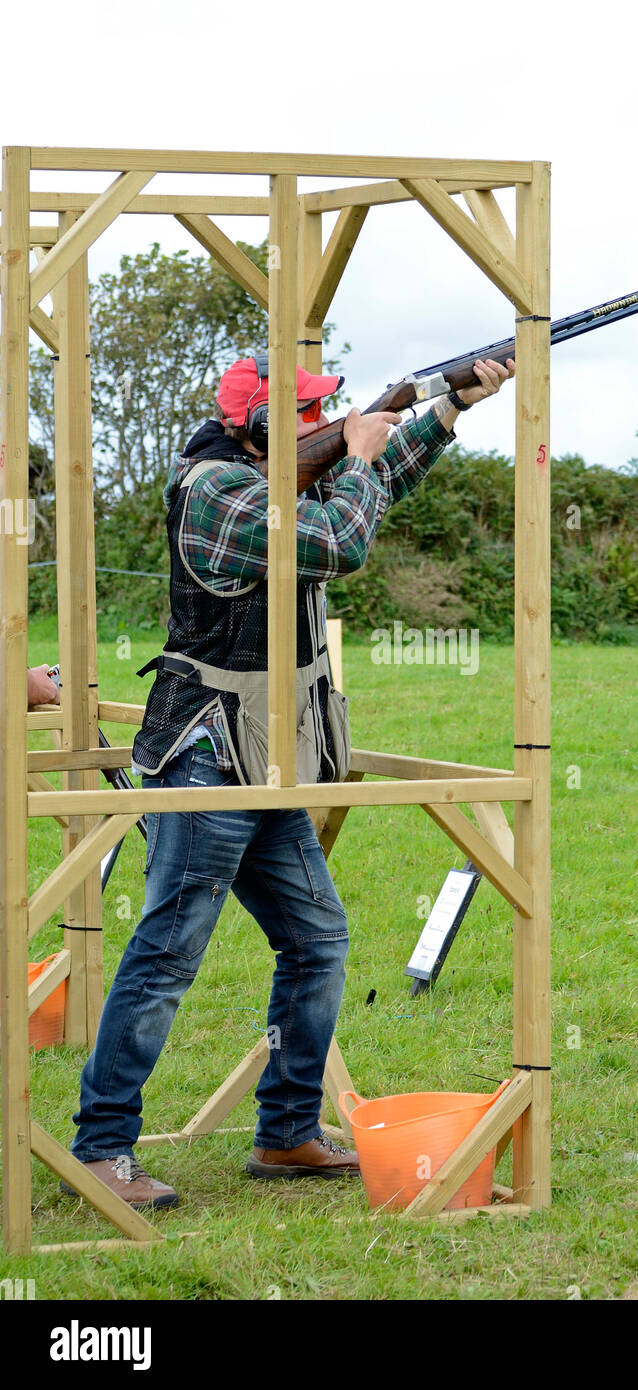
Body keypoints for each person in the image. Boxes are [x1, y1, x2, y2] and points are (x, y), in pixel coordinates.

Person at [66, 351, 514, 1209]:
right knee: (165, 957)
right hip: (208, 756)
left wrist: (451, 407)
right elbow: (341, 538)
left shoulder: (276, 474)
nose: (327, 420)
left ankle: (286, 1133)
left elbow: (374, 472)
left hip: (268, 756)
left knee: (317, 942)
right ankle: (101, 1147)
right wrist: (364, 450)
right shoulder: (217, 493)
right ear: (260, 425)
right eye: (309, 414)